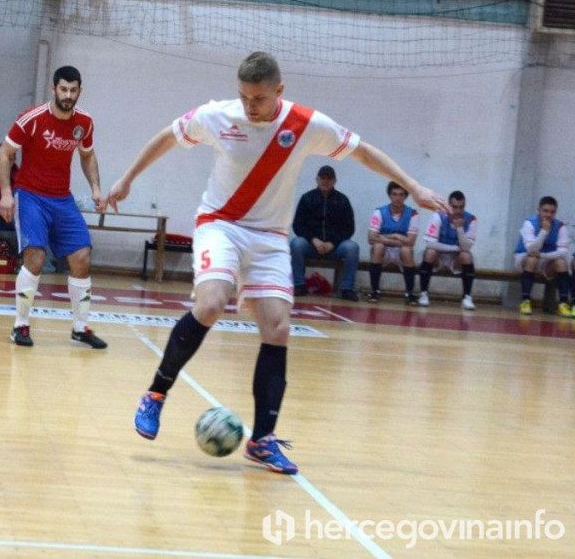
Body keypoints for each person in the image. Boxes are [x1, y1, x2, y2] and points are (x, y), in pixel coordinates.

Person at [106, 51, 445, 475]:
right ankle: (156, 393)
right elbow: (168, 136)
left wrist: (413, 186)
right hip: (221, 224)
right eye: (244, 97)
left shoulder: (306, 124)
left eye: (259, 98)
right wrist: (127, 179)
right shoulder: (218, 116)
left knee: (278, 328)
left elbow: (363, 152)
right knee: (210, 304)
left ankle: (262, 440)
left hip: (269, 237)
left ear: (279, 90)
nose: (250, 106)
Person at [0, 65, 108, 349]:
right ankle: (20, 325)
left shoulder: (84, 122)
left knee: (82, 256)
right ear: (53, 89)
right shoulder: (31, 119)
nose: (68, 95)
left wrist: (96, 188)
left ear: (79, 91)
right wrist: (6, 194)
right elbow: (5, 153)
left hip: (62, 199)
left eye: (73, 90)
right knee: (35, 258)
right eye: (63, 89)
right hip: (30, 196)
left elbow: (87, 155)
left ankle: (80, 328)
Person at [289, 165, 360, 301]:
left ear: (334, 181)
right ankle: (299, 285)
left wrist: (332, 243)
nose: (325, 181)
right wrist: (314, 240)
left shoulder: (343, 200)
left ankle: (347, 289)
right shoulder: (306, 198)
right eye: (323, 178)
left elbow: (349, 228)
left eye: (329, 179)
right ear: (317, 179)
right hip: (311, 245)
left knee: (352, 247)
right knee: (296, 244)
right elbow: (298, 225)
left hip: (335, 247)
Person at [417, 190, 477, 310]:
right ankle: (423, 294)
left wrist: (459, 228)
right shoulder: (438, 216)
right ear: (448, 205)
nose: (458, 211)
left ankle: (467, 297)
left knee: (466, 256)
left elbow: (466, 247)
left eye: (461, 207)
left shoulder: (471, 219)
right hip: (439, 256)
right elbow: (430, 243)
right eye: (454, 207)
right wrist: (455, 248)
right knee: (430, 252)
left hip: (456, 258)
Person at [514, 196, 573, 316]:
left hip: (545, 259)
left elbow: (563, 252)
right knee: (532, 259)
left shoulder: (560, 226)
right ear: (539, 210)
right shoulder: (529, 223)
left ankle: (563, 303)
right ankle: (525, 301)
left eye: (552, 212)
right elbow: (531, 249)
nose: (548, 215)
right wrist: (544, 231)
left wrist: (542, 255)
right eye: (545, 211)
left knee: (561, 263)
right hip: (524, 257)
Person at [367, 181, 420, 305]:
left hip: (401, 252)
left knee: (407, 250)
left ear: (405, 196)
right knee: (378, 247)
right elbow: (371, 238)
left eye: (401, 194)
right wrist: (395, 236)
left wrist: (383, 237)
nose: (397, 198)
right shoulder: (380, 212)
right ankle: (375, 291)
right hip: (384, 250)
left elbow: (410, 242)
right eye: (394, 194)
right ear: (389, 195)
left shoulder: (412, 214)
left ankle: (409, 293)